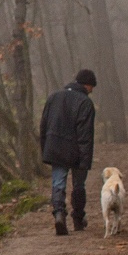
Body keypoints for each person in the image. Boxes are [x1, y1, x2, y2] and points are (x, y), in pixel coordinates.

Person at [38, 69, 98, 236]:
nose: (92, 91)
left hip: (55, 147)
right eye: (92, 87)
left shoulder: (54, 97)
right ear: (87, 85)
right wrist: (85, 160)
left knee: (58, 183)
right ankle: (78, 219)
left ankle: (58, 215)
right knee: (78, 185)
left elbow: (43, 125)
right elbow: (85, 135)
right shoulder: (85, 103)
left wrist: (45, 148)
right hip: (76, 151)